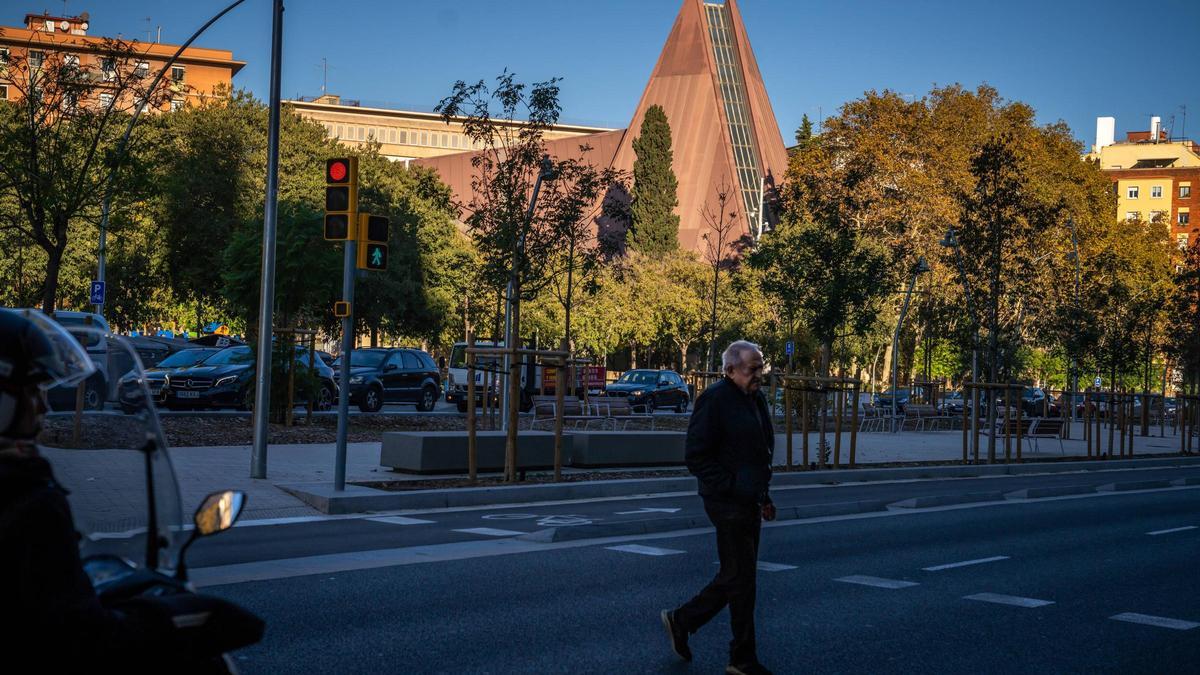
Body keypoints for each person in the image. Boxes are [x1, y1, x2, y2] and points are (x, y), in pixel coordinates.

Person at [0, 309, 181, 670]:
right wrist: (162, 623)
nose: (44, 406)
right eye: (33, 390)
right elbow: (80, 632)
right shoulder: (27, 503)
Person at [662, 340, 776, 675]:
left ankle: (694, 627)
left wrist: (763, 496)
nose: (759, 374)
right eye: (751, 368)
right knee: (740, 576)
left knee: (740, 577)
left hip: (748, 498)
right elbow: (696, 455)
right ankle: (733, 653)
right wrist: (731, 486)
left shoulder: (756, 399)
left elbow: (760, 451)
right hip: (725, 501)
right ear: (729, 370)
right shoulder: (714, 399)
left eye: (761, 367)